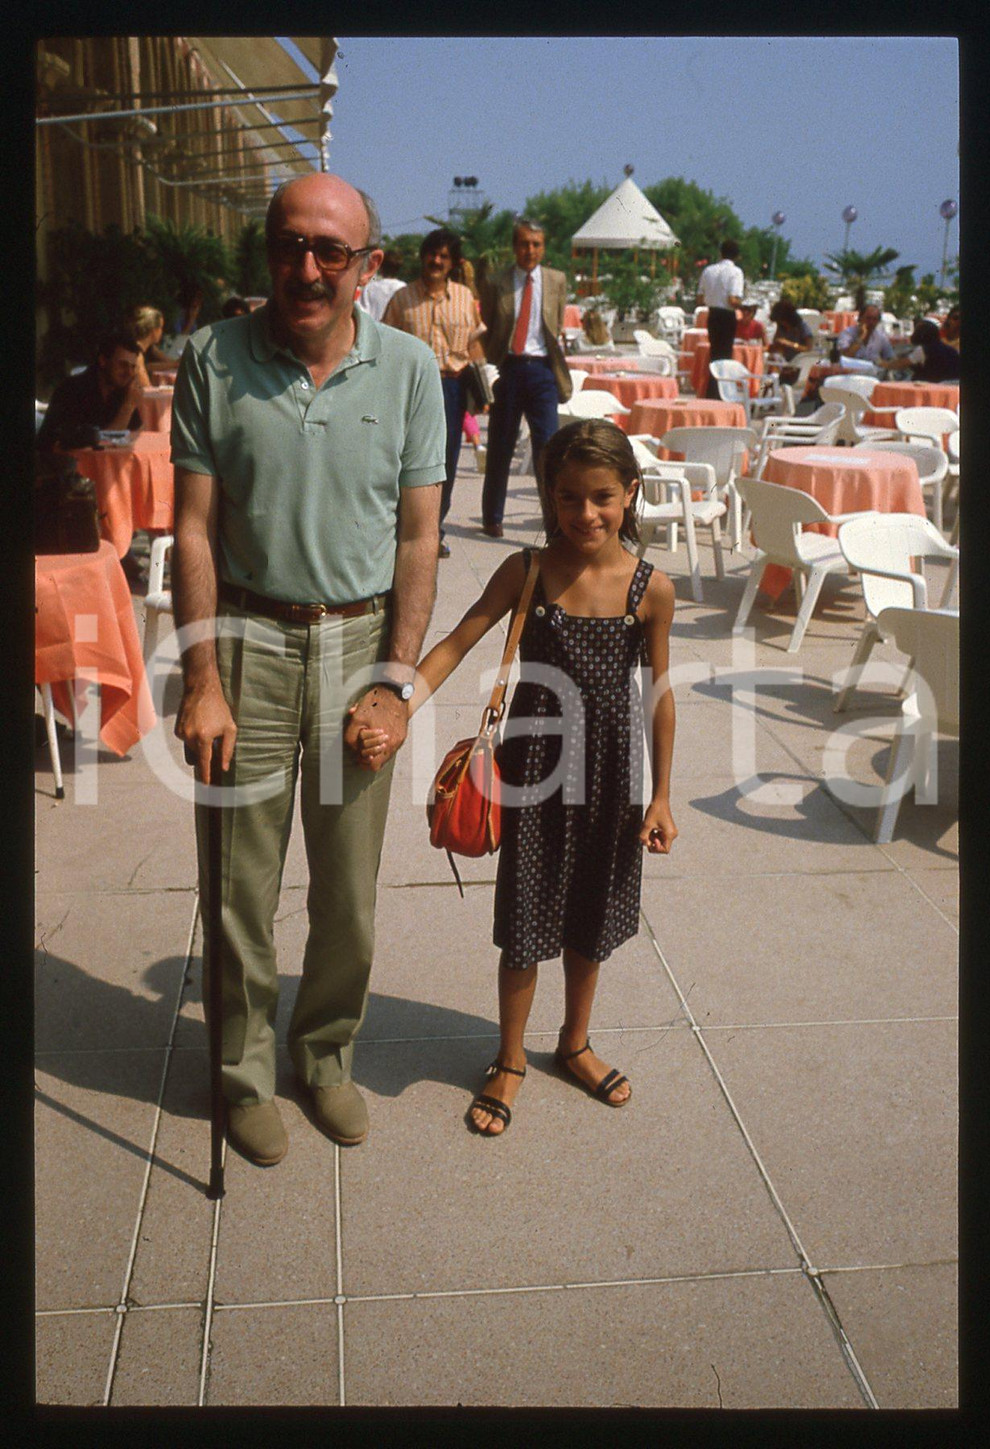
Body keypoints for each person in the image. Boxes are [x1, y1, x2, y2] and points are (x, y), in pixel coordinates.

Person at [169, 172, 445, 1167]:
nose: (309, 268)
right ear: (268, 252)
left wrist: (397, 681)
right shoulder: (211, 358)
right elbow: (191, 530)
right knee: (239, 885)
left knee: (347, 886)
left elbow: (420, 541)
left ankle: (323, 1056)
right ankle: (242, 1074)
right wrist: (200, 677)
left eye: (333, 251)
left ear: (369, 267)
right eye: (291, 245)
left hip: (356, 645)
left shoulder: (412, 369)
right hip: (243, 642)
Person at [362, 419, 678, 1135]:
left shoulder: (651, 589)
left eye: (602, 496)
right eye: (569, 498)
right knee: (526, 925)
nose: (586, 513)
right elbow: (456, 640)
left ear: (631, 493)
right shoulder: (528, 571)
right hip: (533, 778)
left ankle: (574, 1041)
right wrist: (400, 701)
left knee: (593, 920)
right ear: (549, 498)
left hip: (612, 781)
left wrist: (659, 793)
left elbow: (661, 696)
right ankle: (509, 1057)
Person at [382, 229, 486, 558]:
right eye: (431, 254)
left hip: (452, 387)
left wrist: (485, 387)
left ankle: (434, 532)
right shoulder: (402, 299)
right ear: (422, 257)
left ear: (453, 262)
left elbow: (474, 345)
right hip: (410, 387)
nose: (436, 261)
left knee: (446, 462)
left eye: (443, 256)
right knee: (407, 459)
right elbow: (384, 345)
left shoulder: (465, 300)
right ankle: (403, 530)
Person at [478, 218, 572, 537]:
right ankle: (492, 517)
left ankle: (554, 522)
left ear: (543, 247)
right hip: (509, 369)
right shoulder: (496, 281)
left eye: (536, 244)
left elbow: (556, 323)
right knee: (500, 446)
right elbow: (490, 325)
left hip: (543, 371)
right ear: (514, 246)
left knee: (548, 449)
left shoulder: (557, 280)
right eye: (523, 243)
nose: (529, 250)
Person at [37, 330, 143, 450]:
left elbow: (134, 433)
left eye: (132, 367)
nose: (129, 372)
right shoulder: (72, 390)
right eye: (123, 365)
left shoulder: (122, 389)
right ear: (103, 361)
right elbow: (94, 444)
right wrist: (128, 407)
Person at [695, 240, 744, 399]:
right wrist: (744, 305)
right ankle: (721, 393)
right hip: (726, 316)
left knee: (714, 353)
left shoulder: (708, 270)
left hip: (713, 315)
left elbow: (700, 298)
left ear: (720, 253)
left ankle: (712, 390)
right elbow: (732, 299)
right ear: (737, 256)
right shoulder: (736, 272)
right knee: (724, 355)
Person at [767, 299, 814, 384]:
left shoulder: (802, 327)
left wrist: (789, 344)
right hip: (783, 362)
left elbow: (809, 349)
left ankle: (773, 382)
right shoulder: (781, 327)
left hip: (797, 365)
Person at [357, 248, 406, 321]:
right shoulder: (403, 289)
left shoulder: (370, 287)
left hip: (370, 329)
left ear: (380, 266)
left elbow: (361, 311)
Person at [130, 305, 173, 383]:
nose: (161, 332)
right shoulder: (137, 354)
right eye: (160, 328)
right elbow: (146, 387)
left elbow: (168, 361)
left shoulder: (150, 348)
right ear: (153, 330)